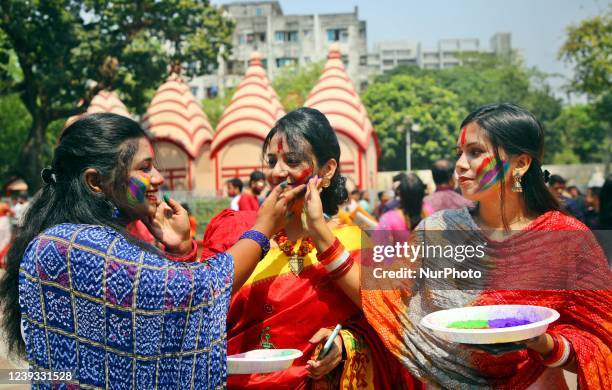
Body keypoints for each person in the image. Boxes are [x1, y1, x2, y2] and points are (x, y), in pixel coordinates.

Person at [300, 103, 611, 388]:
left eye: (475, 152)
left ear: (521, 163)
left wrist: (546, 345)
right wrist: (319, 231)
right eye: (460, 152)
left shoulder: (566, 240)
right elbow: (379, 300)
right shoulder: (439, 229)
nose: (460, 164)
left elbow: (602, 343)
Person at [0, 113, 303, 388]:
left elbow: (155, 323)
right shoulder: (73, 245)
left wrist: (182, 250)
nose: (158, 177)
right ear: (95, 182)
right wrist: (263, 229)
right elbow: (198, 290)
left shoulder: (77, 239)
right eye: (144, 168)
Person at [201, 108, 414, 389]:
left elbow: (391, 326)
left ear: (327, 170)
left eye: (291, 160)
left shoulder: (353, 245)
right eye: (271, 161)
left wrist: (344, 343)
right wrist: (182, 250)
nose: (277, 172)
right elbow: (196, 309)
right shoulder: (232, 230)